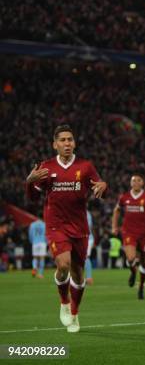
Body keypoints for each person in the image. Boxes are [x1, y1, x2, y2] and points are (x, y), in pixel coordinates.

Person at [25, 124, 107, 332]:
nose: (67, 143)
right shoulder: (46, 167)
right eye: (62, 140)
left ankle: (75, 313)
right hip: (56, 226)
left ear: (74, 143)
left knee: (78, 275)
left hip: (79, 227)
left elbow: (99, 186)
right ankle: (64, 302)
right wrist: (29, 182)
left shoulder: (86, 166)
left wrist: (103, 186)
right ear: (55, 144)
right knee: (63, 266)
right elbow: (32, 198)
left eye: (70, 139)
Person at [112, 174, 145, 299]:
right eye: (133, 180)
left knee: (144, 261)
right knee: (130, 258)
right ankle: (133, 273)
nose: (135, 182)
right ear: (130, 183)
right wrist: (114, 226)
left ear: (142, 183)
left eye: (138, 180)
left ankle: (141, 287)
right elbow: (116, 210)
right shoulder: (124, 197)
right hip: (129, 232)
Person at [84, 210, 94, 285]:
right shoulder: (88, 213)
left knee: (85, 257)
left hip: (87, 238)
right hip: (85, 237)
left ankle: (89, 278)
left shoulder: (85, 213)